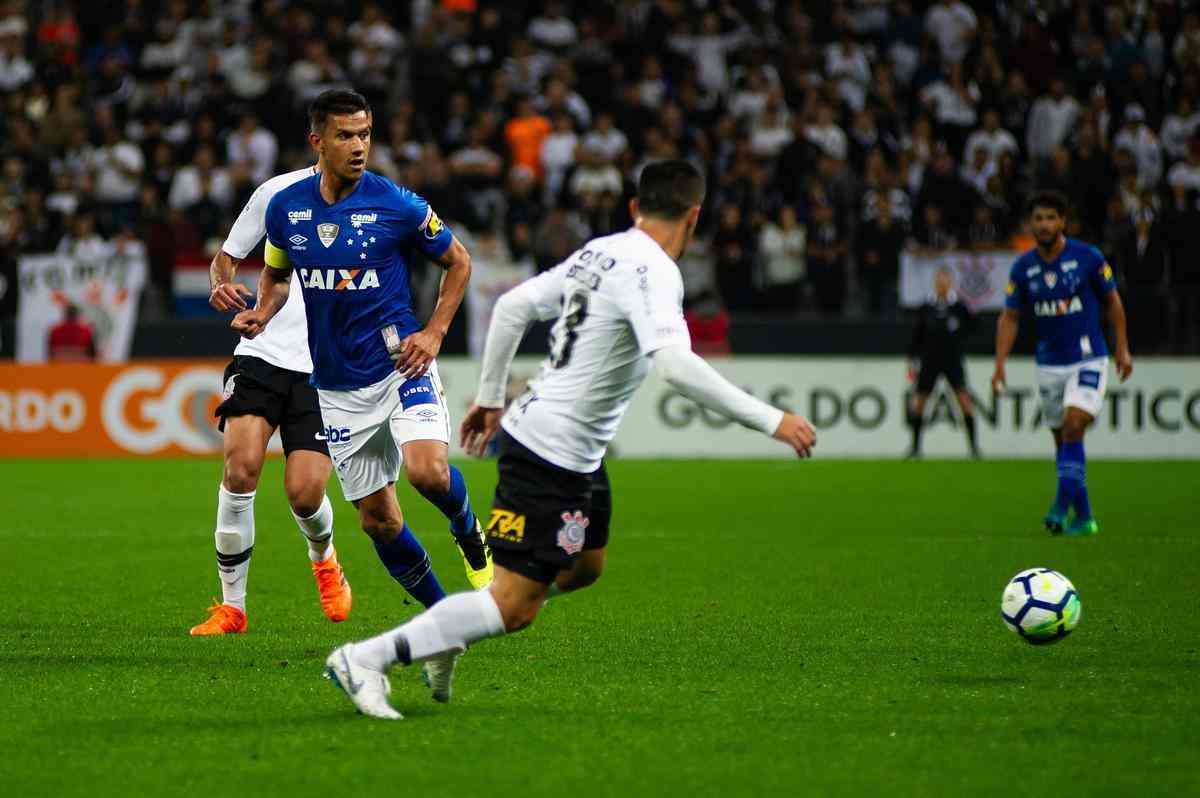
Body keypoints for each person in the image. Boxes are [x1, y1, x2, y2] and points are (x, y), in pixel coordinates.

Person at [322, 160, 818, 719]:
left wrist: (489, 398)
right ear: (694, 217)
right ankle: (367, 657)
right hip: (546, 453)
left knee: (585, 566)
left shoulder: (600, 251)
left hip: (576, 452)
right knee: (515, 606)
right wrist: (770, 420)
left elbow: (512, 307)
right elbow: (675, 367)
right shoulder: (655, 270)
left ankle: (448, 628)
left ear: (635, 207)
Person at [204, 90, 492, 636]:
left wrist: (433, 332)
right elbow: (277, 269)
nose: (359, 146)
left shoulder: (399, 204)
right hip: (334, 385)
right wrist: (263, 310)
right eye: (345, 135)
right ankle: (444, 621)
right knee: (378, 520)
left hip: (399, 362)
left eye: (365, 134)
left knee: (427, 474)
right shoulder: (284, 206)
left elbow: (458, 260)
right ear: (318, 141)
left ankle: (466, 525)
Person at [992, 190, 1133, 536]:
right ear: (1031, 224)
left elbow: (1112, 302)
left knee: (1073, 425)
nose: (1044, 224)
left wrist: (1122, 349)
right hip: (1048, 363)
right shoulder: (1023, 267)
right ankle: (1084, 518)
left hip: (1088, 357)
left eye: (1050, 218)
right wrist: (999, 364)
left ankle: (1059, 508)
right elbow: (1010, 317)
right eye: (1038, 218)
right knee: (1063, 441)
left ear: (1063, 222)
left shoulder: (1089, 257)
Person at [906, 268, 979, 459]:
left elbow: (974, 327)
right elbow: (917, 336)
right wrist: (911, 359)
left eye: (945, 281)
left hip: (953, 361)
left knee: (964, 401)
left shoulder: (959, 307)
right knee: (919, 403)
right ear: (934, 283)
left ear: (951, 283)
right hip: (929, 361)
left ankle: (974, 449)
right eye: (939, 281)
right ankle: (915, 449)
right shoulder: (926, 308)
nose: (942, 284)